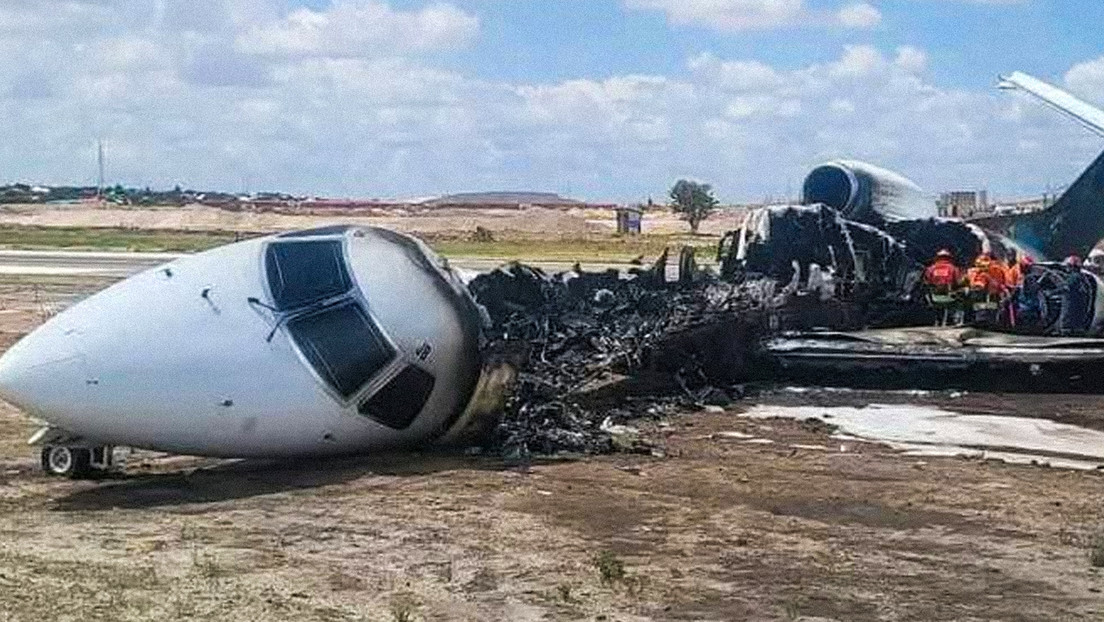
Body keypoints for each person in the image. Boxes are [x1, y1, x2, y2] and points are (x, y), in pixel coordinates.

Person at [923, 249, 962, 326]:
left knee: (937, 305)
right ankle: (951, 319)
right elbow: (959, 282)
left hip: (934, 298)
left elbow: (926, 282)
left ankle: (937, 320)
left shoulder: (930, 269)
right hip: (950, 297)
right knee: (961, 300)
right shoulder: (953, 269)